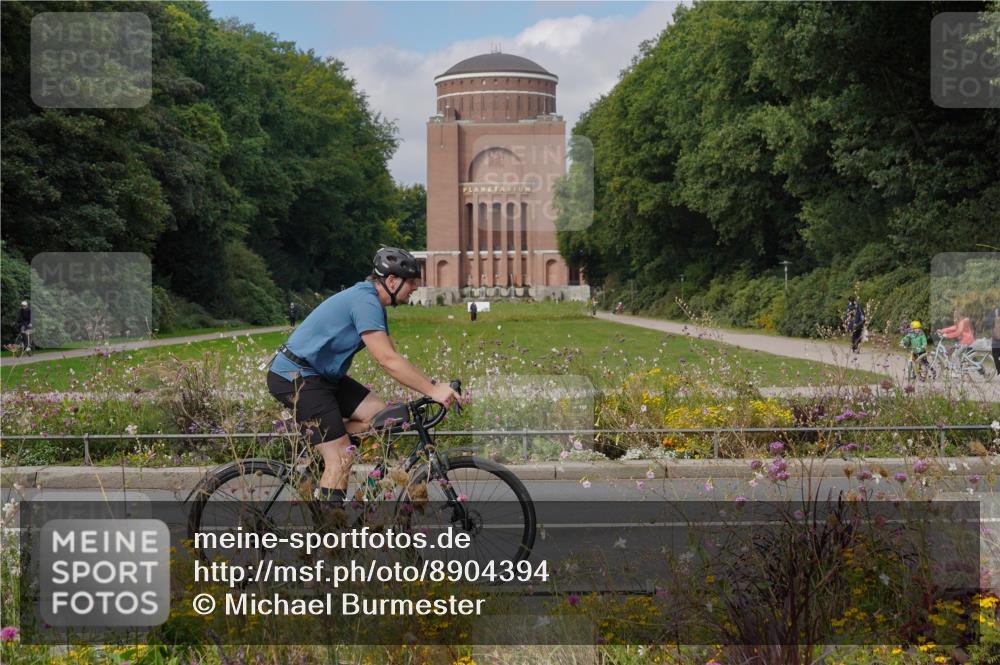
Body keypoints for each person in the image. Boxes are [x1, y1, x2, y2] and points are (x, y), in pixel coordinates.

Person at [266, 247, 460, 508]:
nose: (415, 288)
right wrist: (433, 391)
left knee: (383, 416)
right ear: (391, 281)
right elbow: (386, 360)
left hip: (321, 376)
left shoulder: (372, 302)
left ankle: (321, 438)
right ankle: (331, 540)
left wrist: (433, 386)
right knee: (342, 457)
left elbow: (393, 355)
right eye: (411, 282)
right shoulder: (366, 301)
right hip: (295, 375)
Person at [986, 305, 1000, 376]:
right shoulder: (993, 313)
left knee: (996, 357)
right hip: (995, 342)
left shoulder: (993, 313)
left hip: (996, 343)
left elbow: (988, 324)